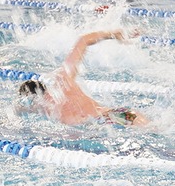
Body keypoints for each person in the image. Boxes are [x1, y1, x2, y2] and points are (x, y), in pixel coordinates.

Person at [14, 29, 143, 127]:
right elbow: (83, 40)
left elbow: (19, 111)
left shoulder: (43, 107)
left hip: (101, 123)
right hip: (120, 113)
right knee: (154, 129)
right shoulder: (63, 78)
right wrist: (116, 33)